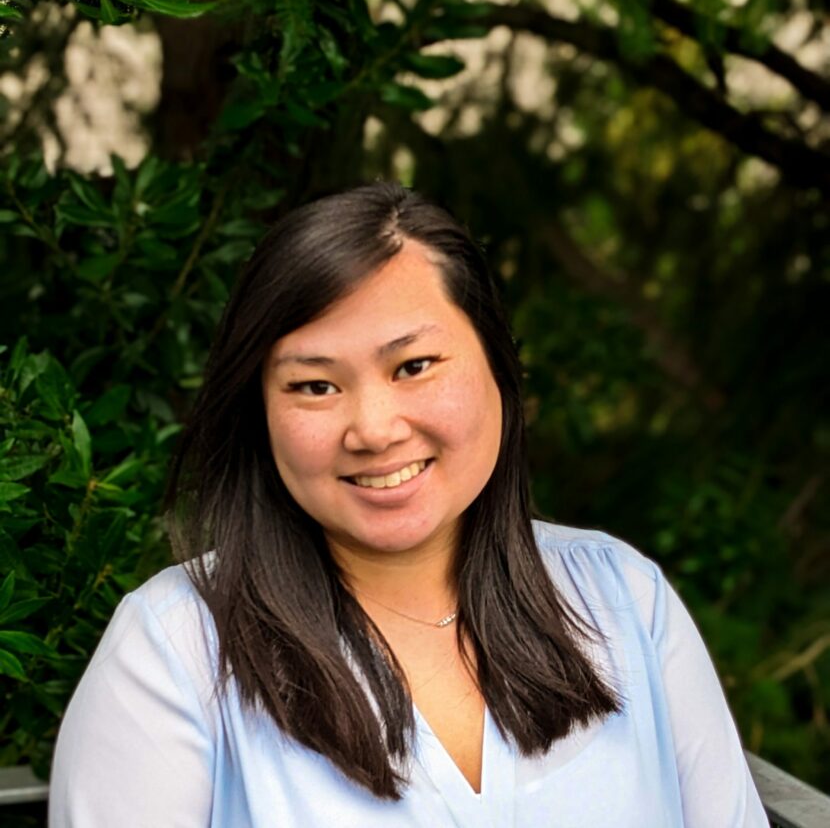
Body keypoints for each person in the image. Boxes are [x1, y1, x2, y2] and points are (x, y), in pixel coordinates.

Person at [49, 182, 768, 827]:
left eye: (414, 366)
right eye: (314, 386)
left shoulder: (621, 602)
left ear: (500, 368)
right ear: (258, 412)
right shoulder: (175, 653)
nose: (373, 429)